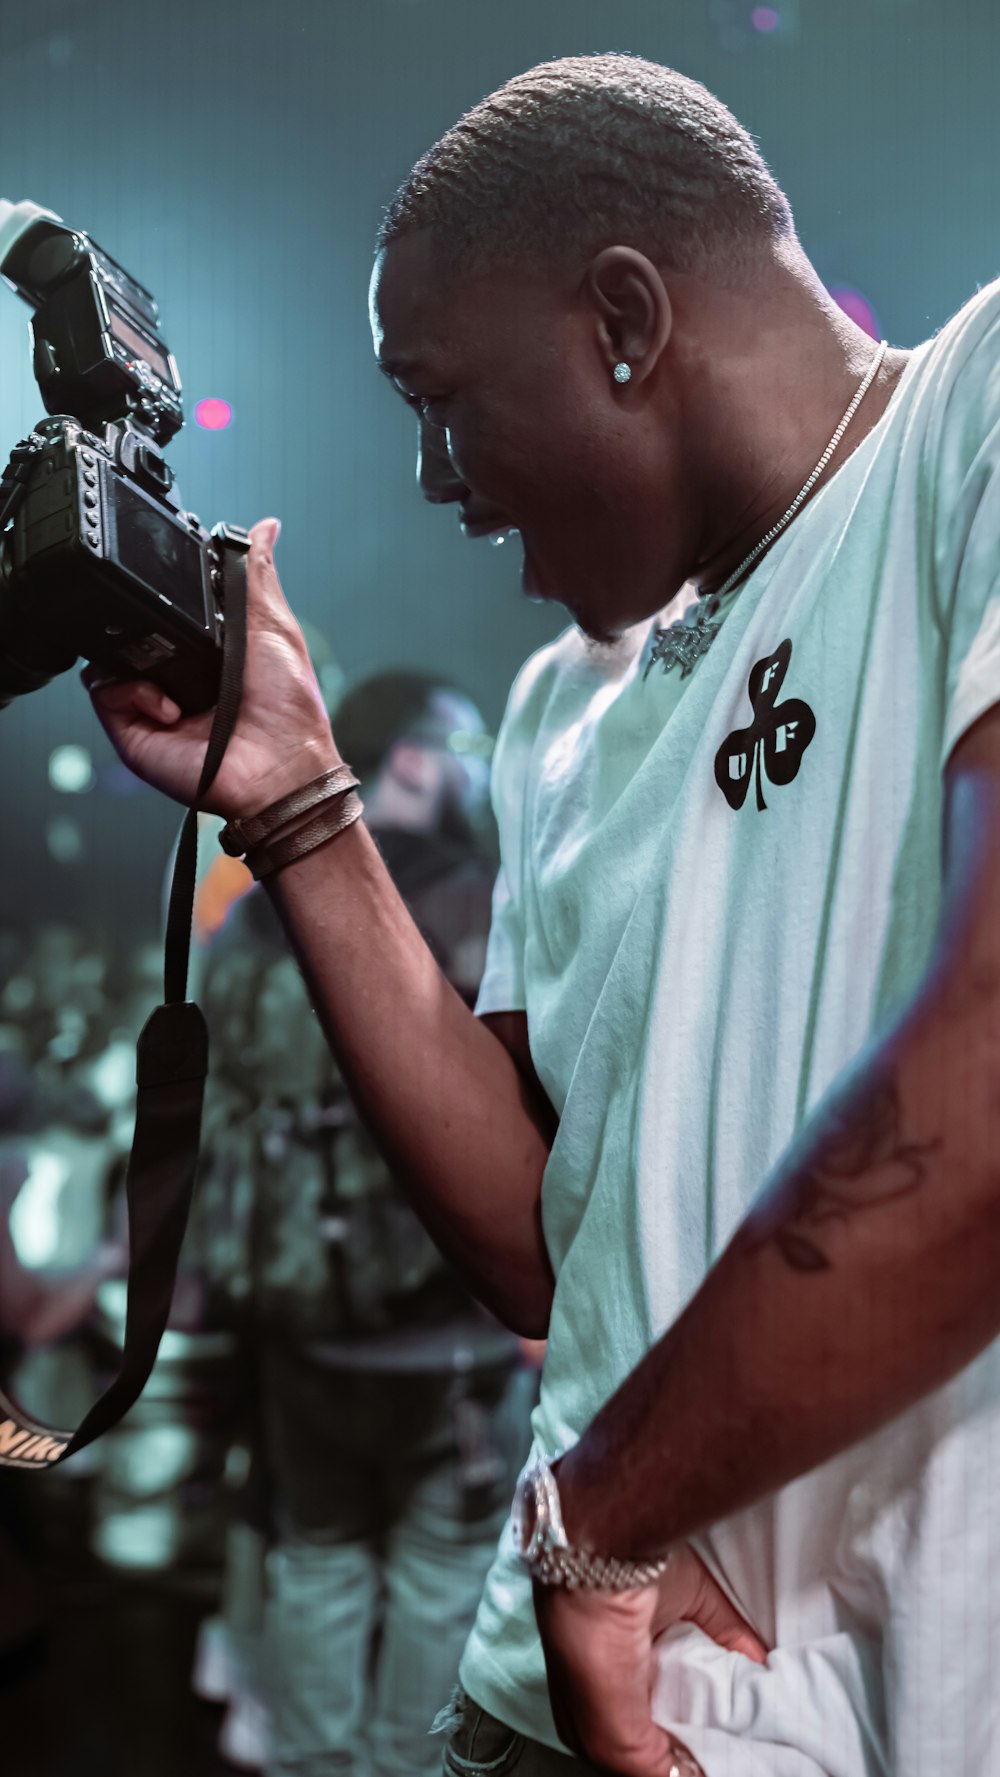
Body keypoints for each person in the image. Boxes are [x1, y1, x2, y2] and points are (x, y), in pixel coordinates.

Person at [84, 50, 1000, 1777]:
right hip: (544, 1694)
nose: (434, 475)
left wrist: (602, 1518)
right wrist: (295, 804)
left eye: (438, 397)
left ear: (627, 322)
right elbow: (534, 1227)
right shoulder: (559, 706)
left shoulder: (975, 414)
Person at [192, 672, 532, 1777]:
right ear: (422, 762)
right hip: (448, 1342)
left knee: (318, 1563)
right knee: (440, 1578)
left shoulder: (250, 915)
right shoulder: (470, 898)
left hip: (294, 1326)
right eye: (466, 747)